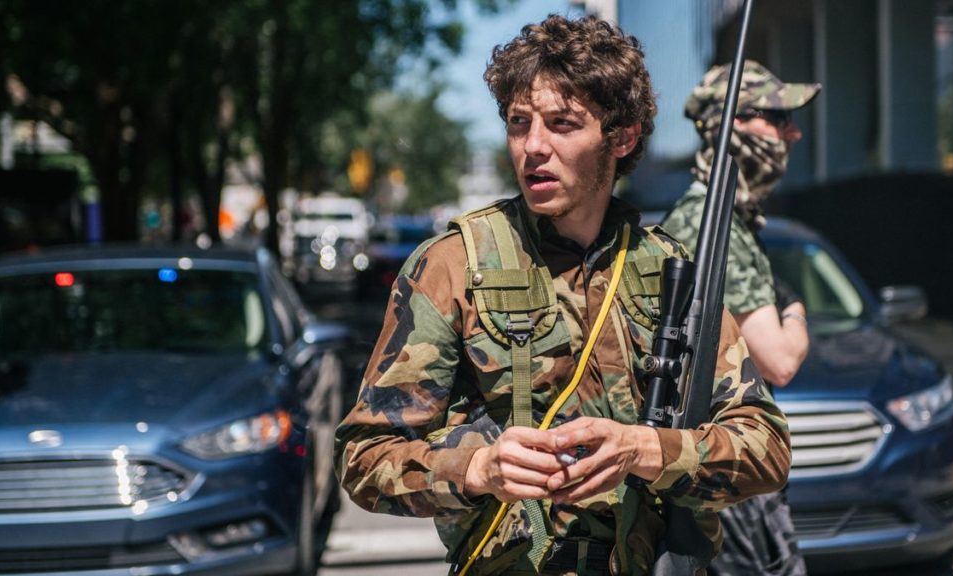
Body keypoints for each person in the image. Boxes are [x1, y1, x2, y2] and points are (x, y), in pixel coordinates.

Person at [335, 16, 791, 576]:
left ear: (621, 137)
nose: (533, 147)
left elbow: (767, 447)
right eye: (519, 123)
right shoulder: (453, 265)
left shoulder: (671, 270)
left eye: (562, 124)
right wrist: (476, 469)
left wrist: (648, 451)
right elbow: (363, 458)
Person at [661, 61, 822, 576]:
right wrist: (795, 307)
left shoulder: (714, 214)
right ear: (733, 124)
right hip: (723, 469)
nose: (790, 132)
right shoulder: (714, 222)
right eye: (776, 117)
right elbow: (778, 360)